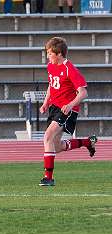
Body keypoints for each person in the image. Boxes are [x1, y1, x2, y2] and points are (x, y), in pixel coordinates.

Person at [39, 37, 97, 187]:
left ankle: (48, 178)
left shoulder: (69, 69)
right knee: (56, 146)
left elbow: (83, 93)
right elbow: (52, 85)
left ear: (59, 54)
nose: (47, 56)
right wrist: (46, 102)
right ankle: (87, 142)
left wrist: (70, 105)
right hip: (54, 108)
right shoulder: (51, 66)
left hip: (67, 110)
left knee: (47, 137)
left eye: (50, 53)